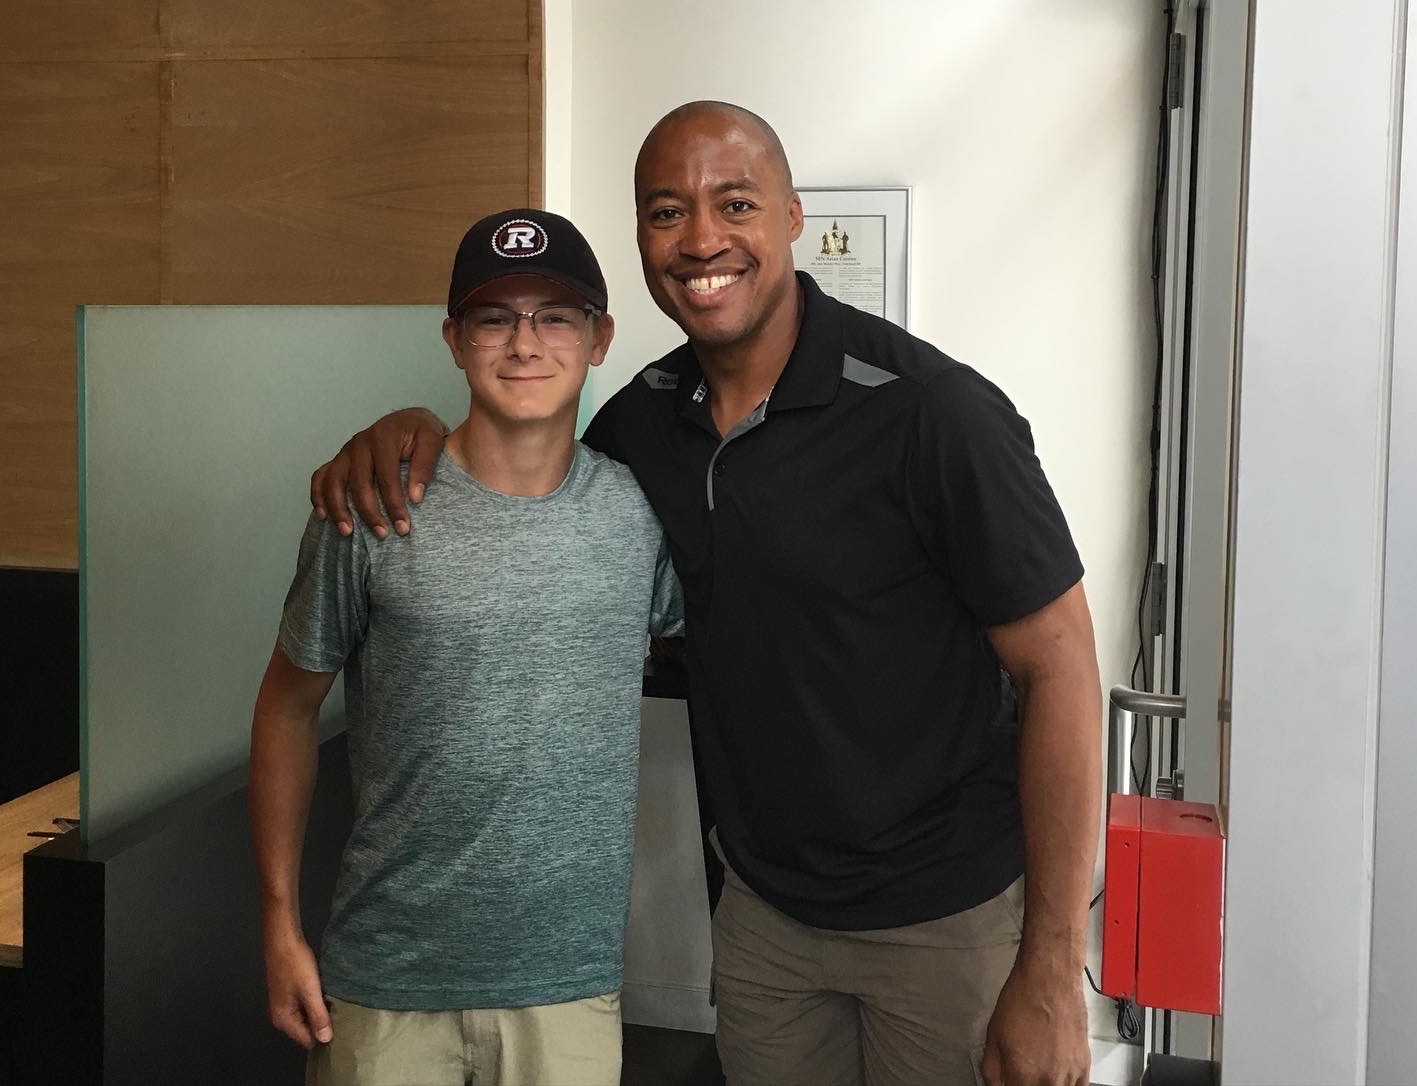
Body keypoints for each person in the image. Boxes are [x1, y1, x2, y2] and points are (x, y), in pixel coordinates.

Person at [311, 102, 1102, 1086]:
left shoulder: (932, 412)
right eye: (665, 212)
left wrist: (1052, 969)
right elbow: (526, 474)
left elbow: (1063, 668)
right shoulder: (643, 424)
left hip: (944, 917)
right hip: (765, 919)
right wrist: (404, 433)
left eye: (734, 204)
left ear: (792, 217)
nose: (699, 240)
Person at [249, 207, 682, 1086]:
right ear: (454, 340)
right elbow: (286, 709)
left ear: (598, 338)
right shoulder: (372, 508)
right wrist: (279, 925)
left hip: (567, 989)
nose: (524, 343)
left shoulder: (639, 516)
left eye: (554, 317)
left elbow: (763, 632)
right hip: (386, 985)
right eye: (495, 318)